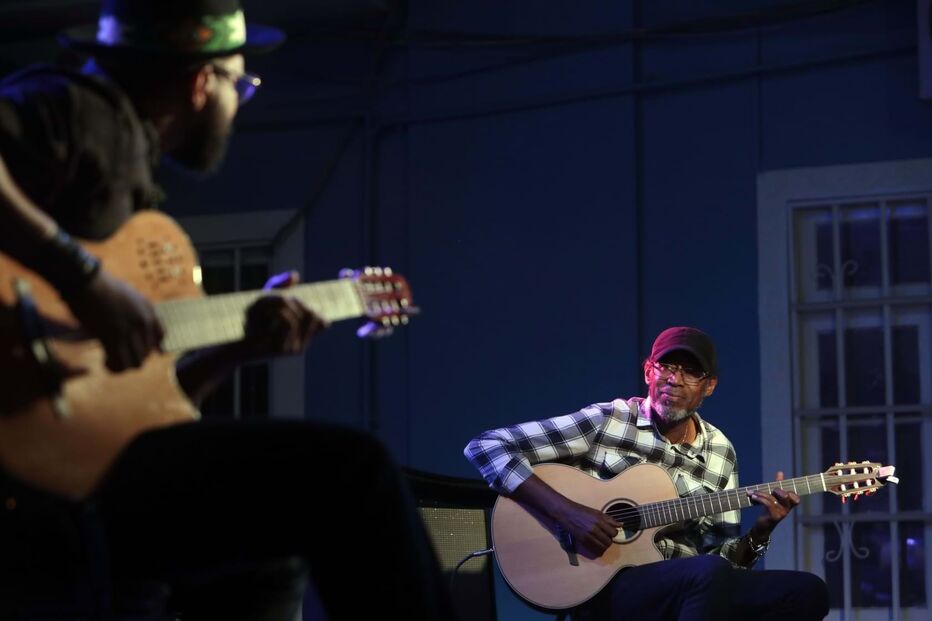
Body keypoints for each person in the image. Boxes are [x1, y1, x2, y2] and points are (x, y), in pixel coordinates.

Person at [0, 1, 455, 619]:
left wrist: (241, 349)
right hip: (46, 487)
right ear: (200, 82)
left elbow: (144, 407)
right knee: (352, 471)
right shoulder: (69, 106)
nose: (239, 103)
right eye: (239, 85)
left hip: (80, 473)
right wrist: (83, 279)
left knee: (266, 553)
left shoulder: (132, 191)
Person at [465, 326, 830, 621]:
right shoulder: (609, 420)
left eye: (691, 372)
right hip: (606, 584)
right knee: (706, 574)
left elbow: (725, 562)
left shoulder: (720, 452)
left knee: (806, 592)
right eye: (666, 366)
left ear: (709, 386)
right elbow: (486, 447)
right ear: (647, 371)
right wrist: (569, 514)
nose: (674, 379)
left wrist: (762, 531)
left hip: (691, 588)